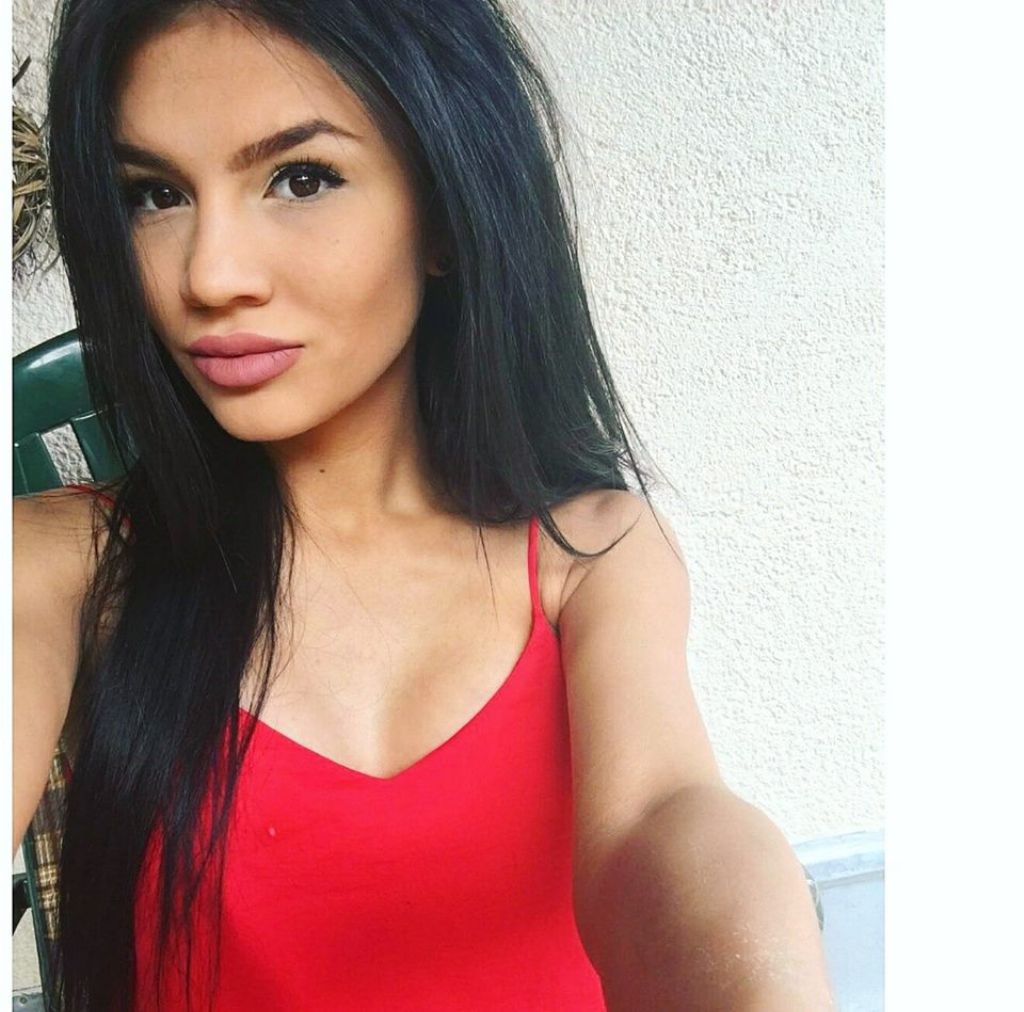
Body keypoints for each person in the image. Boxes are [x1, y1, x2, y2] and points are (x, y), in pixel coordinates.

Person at [13, 1, 833, 1009]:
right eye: (155, 194)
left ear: (442, 212)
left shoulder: (588, 553)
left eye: (301, 178)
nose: (210, 275)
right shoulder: (63, 564)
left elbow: (662, 820)